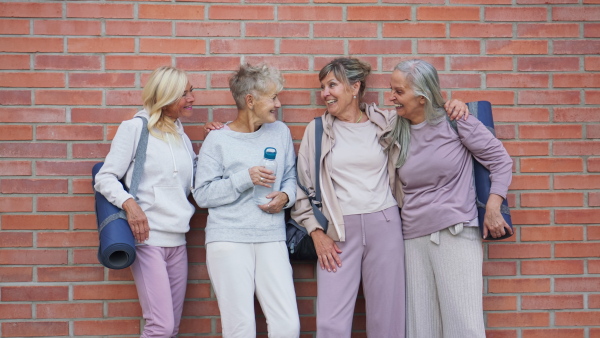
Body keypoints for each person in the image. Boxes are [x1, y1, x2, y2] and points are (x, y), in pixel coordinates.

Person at [291, 57, 468, 338]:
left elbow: (426, 114)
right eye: (322, 87)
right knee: (330, 324)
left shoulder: (387, 122)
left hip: (385, 226)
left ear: (355, 88)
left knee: (388, 319)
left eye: (332, 85)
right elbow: (302, 188)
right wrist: (315, 231)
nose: (325, 93)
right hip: (338, 232)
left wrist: (457, 105)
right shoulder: (317, 131)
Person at [388, 59, 513, 338]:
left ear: (421, 97)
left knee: (463, 327)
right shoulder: (397, 128)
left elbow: (501, 161)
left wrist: (493, 206)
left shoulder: (456, 121)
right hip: (412, 240)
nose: (391, 97)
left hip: (455, 235)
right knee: (422, 329)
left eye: (398, 91)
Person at [193, 63, 299, 338]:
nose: (277, 103)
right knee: (240, 328)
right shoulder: (217, 140)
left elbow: (289, 176)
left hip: (271, 237)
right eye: (273, 97)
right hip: (228, 240)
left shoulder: (280, 132)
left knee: (287, 325)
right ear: (250, 100)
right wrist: (244, 178)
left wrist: (286, 197)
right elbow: (202, 194)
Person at [94, 66, 197, 337]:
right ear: (165, 97)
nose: (192, 98)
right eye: (184, 94)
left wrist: (218, 136)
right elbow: (105, 177)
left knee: (171, 328)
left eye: (191, 91)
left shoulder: (182, 136)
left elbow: (196, 182)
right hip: (148, 240)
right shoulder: (135, 129)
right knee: (160, 328)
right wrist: (130, 204)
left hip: (178, 241)